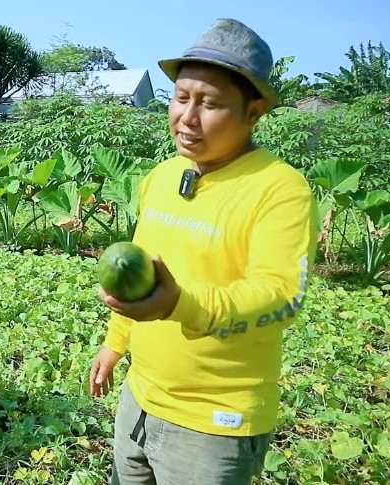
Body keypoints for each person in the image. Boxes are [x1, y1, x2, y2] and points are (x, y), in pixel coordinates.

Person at [88, 18, 317, 485]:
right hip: (138, 399)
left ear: (254, 112)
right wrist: (116, 342)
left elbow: (281, 296)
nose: (188, 118)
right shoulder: (162, 176)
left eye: (209, 104)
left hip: (214, 423)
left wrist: (180, 305)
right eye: (181, 98)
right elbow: (140, 266)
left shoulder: (280, 189)